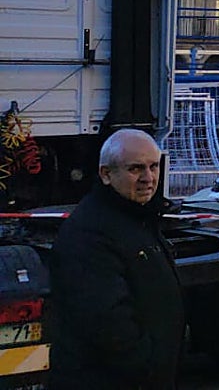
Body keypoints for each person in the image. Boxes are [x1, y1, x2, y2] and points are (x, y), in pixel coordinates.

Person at [49, 129, 185, 390]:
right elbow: (108, 323)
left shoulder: (138, 218)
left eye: (153, 166)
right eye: (136, 169)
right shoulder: (90, 233)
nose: (149, 178)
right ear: (106, 175)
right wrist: (150, 368)